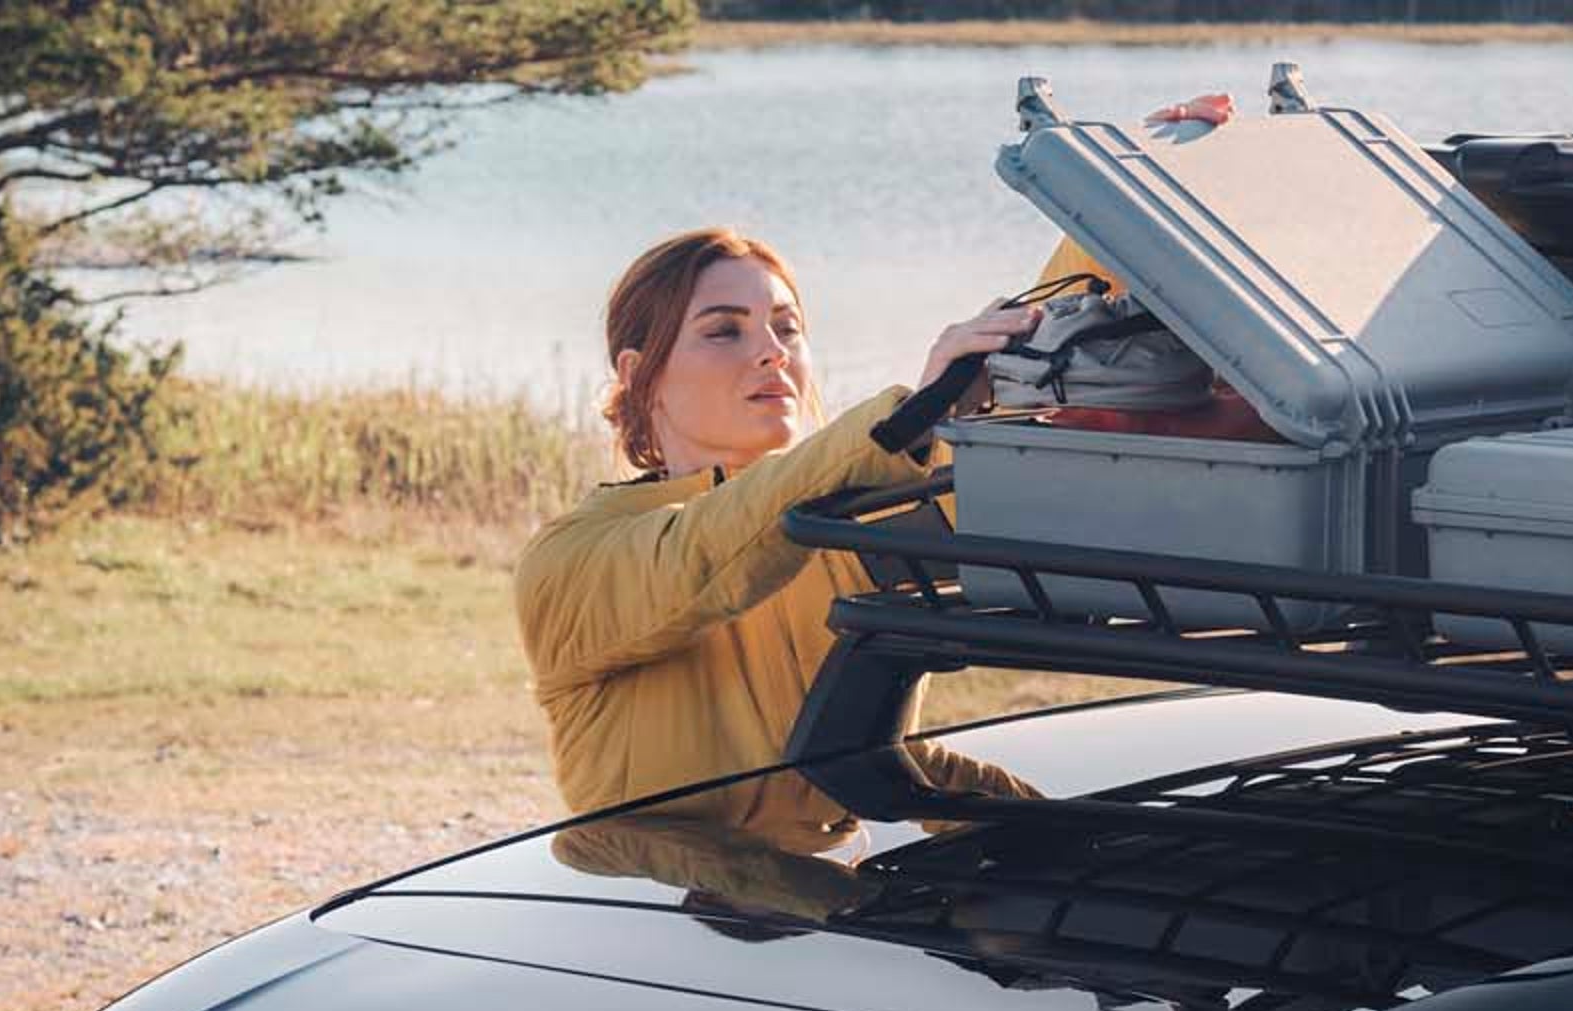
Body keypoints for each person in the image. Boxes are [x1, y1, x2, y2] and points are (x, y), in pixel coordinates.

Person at [515, 98, 1229, 821]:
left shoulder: (857, 520)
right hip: (653, 916)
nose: (772, 351)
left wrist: (1132, 200)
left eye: (787, 328)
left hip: (835, 903)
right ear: (639, 375)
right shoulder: (573, 560)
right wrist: (914, 413)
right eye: (724, 332)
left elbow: (1042, 421)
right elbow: (709, 555)